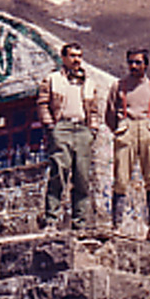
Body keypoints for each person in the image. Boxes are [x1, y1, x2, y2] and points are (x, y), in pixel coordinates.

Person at [105, 47, 150, 243]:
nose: (133, 66)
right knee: (121, 179)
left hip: (147, 130)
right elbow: (109, 112)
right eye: (130, 62)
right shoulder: (118, 86)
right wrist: (119, 129)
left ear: (146, 65)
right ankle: (116, 225)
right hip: (126, 130)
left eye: (138, 62)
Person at [37, 42, 99, 230]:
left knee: (82, 177)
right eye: (72, 55)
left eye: (79, 55)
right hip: (61, 128)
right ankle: (51, 220)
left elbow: (94, 110)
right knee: (58, 172)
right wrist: (50, 126)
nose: (76, 59)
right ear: (64, 58)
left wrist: (92, 129)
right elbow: (42, 103)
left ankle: (79, 223)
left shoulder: (89, 83)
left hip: (82, 130)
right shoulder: (52, 79)